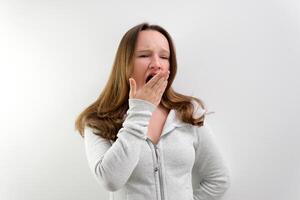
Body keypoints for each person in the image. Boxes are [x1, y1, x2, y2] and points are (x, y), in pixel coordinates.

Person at [75, 22, 230, 200]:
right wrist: (140, 110)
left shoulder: (188, 112)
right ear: (125, 63)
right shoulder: (97, 120)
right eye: (144, 55)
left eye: (164, 57)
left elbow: (219, 178)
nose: (156, 64)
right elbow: (110, 180)